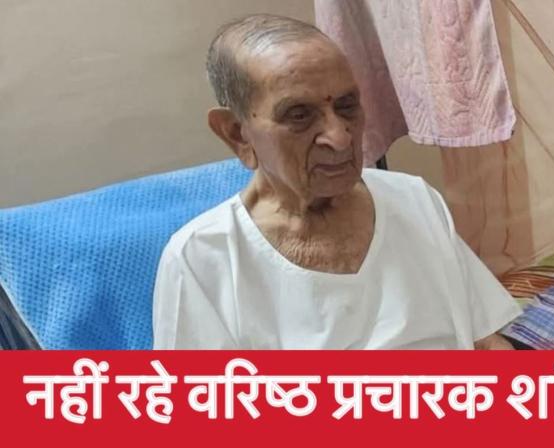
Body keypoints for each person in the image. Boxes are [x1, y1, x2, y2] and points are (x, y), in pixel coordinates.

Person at [152, 14, 521, 349]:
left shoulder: (414, 199)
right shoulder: (202, 259)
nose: (340, 137)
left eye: (346, 106)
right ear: (237, 134)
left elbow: (487, 341)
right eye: (299, 115)